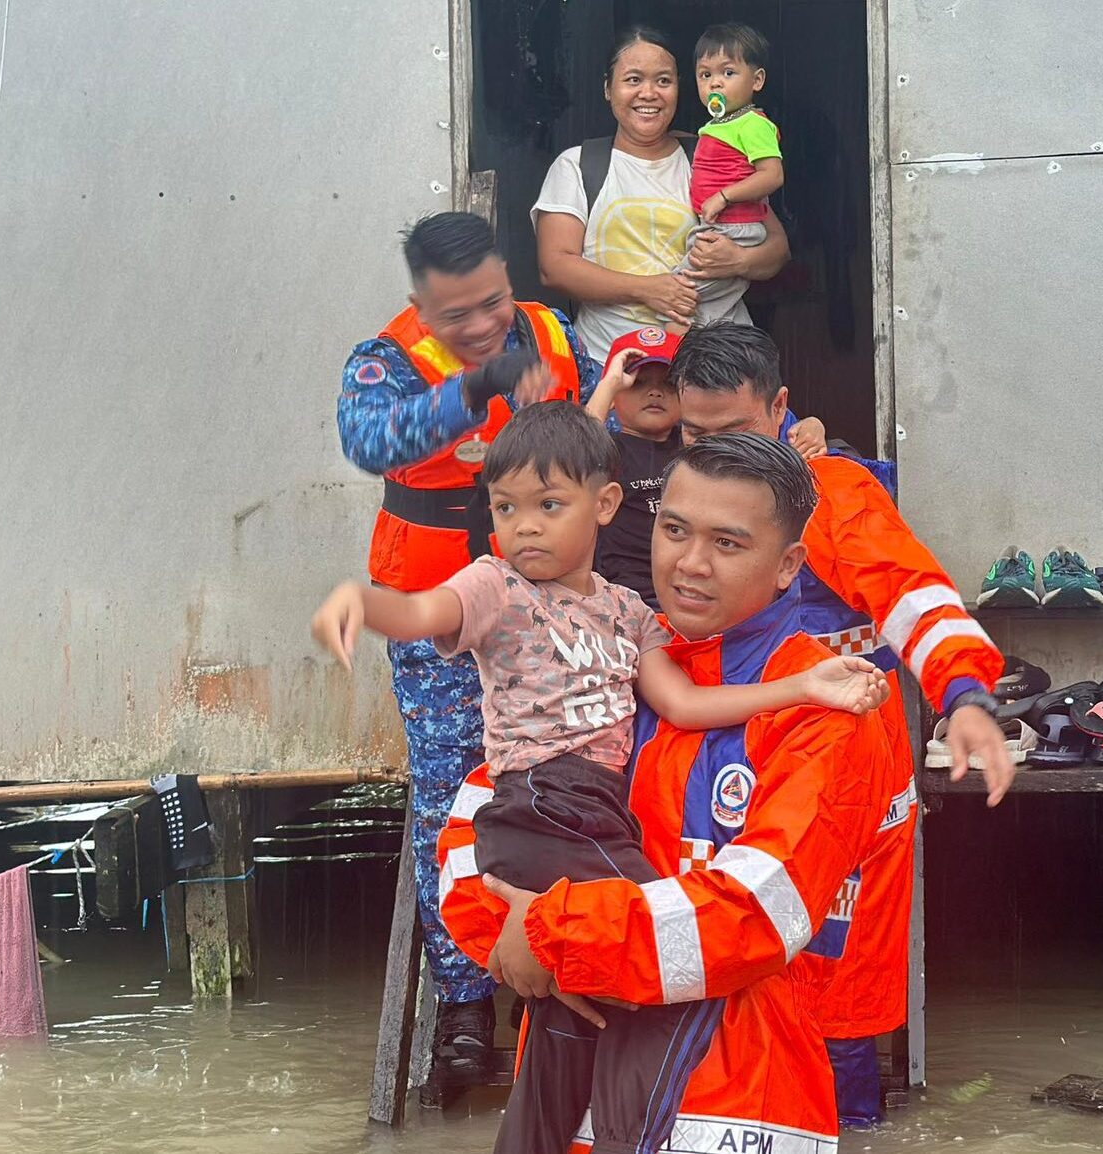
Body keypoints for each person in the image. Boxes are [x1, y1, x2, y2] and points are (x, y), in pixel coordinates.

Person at [314, 404, 886, 1154]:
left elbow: (754, 916)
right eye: (675, 531)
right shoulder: (613, 667)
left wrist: (545, 931)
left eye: (727, 543)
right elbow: (471, 832)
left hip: (733, 1108)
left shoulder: (828, 705)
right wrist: (509, 936)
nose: (689, 563)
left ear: (788, 565)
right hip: (578, 1098)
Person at [669, 323, 1013, 1128]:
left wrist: (965, 695)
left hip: (842, 769)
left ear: (782, 411)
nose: (718, 457)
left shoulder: (834, 494)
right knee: (718, 961)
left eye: (737, 434)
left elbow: (913, 593)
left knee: (838, 982)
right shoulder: (670, 492)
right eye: (695, 435)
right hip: (722, 755)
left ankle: (851, 1125)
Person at [335, 210, 600, 1081]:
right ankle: (460, 1005)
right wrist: (477, 384)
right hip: (438, 612)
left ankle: (565, 974)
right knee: (452, 794)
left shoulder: (554, 334)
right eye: (459, 317)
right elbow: (371, 442)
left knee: (574, 776)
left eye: (493, 302)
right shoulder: (384, 361)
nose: (485, 324)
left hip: (550, 605)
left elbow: (610, 423)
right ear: (422, 305)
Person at [534, 26, 794, 355]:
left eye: (663, 81)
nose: (649, 93)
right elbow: (554, 266)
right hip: (614, 367)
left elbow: (777, 248)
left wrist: (739, 261)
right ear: (608, 89)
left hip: (719, 368)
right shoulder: (577, 165)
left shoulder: (711, 153)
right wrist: (649, 290)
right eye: (633, 80)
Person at [587, 326, 827, 607]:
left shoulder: (812, 468)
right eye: (698, 433)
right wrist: (608, 386)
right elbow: (573, 457)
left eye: (733, 432)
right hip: (639, 610)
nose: (716, 451)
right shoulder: (610, 453)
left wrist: (814, 428)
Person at [679, 22, 785, 327]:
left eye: (728, 73)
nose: (715, 83)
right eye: (705, 75)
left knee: (678, 297)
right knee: (705, 308)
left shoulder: (753, 123)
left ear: (757, 80)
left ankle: (665, 365)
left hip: (735, 229)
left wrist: (724, 196)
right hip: (719, 228)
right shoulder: (719, 125)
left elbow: (772, 175)